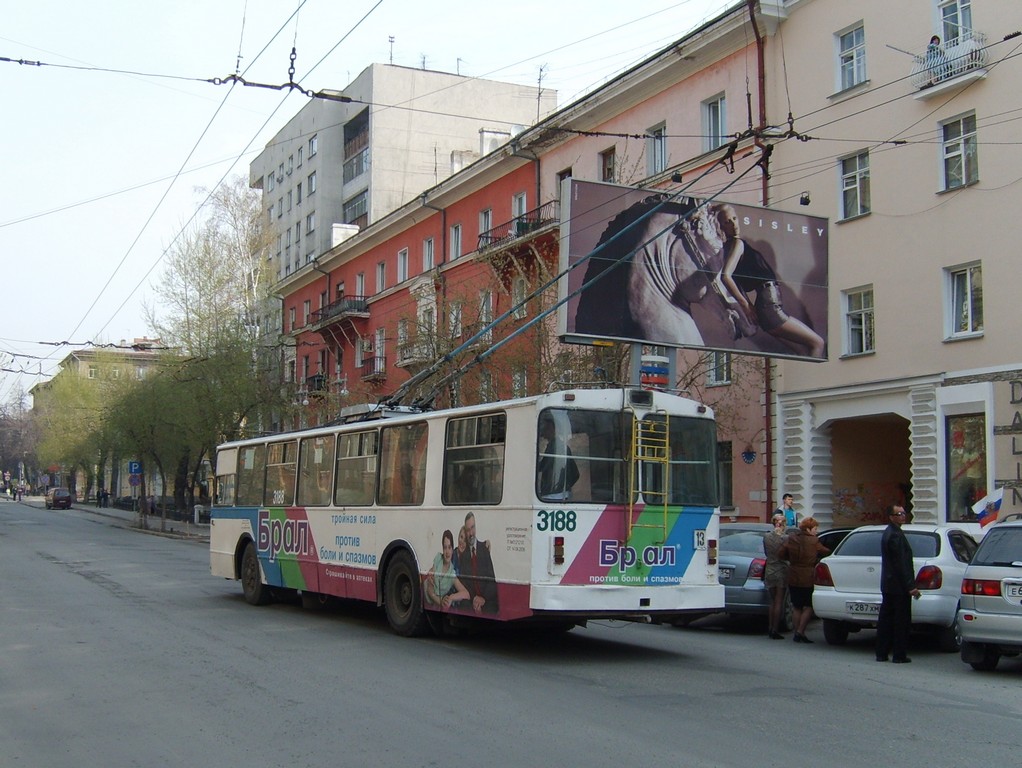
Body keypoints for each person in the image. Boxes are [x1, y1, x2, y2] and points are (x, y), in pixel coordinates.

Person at [716, 204, 826, 358]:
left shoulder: (727, 249)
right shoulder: (737, 243)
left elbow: (735, 280)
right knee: (818, 343)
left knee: (802, 350)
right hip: (769, 306)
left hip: (766, 308)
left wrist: (748, 306)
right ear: (721, 227)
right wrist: (746, 305)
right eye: (727, 222)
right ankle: (817, 378)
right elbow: (726, 276)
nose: (734, 224)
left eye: (734, 218)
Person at [876, 505, 920, 663]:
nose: (903, 516)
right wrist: (911, 586)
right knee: (901, 622)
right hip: (898, 587)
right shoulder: (895, 535)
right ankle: (899, 654)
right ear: (891, 517)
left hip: (889, 585)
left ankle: (881, 653)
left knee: (886, 620)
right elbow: (901, 563)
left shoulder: (890, 532)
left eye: (903, 513)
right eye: (899, 514)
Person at [778, 516, 830, 643]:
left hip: (794, 574)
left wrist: (790, 559)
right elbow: (826, 551)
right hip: (808, 575)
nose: (816, 531)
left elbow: (780, 553)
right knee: (809, 606)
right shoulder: (814, 541)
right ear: (808, 528)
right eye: (815, 529)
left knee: (797, 606)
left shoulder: (792, 538)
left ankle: (796, 632)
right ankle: (801, 631)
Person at [457, 511, 499, 614]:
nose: (471, 533)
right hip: (472, 600)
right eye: (468, 530)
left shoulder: (484, 549)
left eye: (473, 528)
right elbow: (464, 582)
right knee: (463, 607)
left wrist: (483, 599)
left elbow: (491, 579)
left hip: (487, 600)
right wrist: (474, 598)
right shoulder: (463, 555)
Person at [424, 529, 470, 609]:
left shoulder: (452, 573)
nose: (447, 552)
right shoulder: (438, 558)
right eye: (445, 548)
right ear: (442, 549)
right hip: (423, 596)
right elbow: (429, 589)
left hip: (433, 606)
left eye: (449, 547)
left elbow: (466, 594)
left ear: (452, 549)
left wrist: (451, 597)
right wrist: (441, 601)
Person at [538, 417, 579, 500]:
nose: (543, 433)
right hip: (564, 494)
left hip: (553, 495)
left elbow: (544, 467)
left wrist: (559, 486)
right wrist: (566, 486)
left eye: (546, 429)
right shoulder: (564, 447)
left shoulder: (554, 448)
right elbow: (575, 474)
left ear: (553, 430)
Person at [763, 512, 790, 639]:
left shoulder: (766, 536)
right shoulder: (786, 538)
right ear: (783, 524)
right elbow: (787, 555)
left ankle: (769, 627)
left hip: (770, 569)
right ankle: (775, 629)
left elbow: (766, 552)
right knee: (779, 601)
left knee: (772, 601)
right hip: (781, 569)